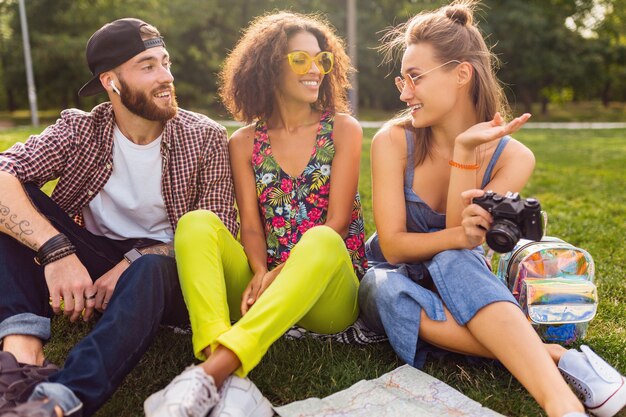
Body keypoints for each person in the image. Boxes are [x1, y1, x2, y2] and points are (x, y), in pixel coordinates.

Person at [358, 2, 626, 417]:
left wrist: (465, 151)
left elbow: (459, 244)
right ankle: (555, 357)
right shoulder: (392, 141)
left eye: (415, 78)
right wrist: (461, 215)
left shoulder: (513, 157)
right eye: (401, 79)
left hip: (465, 283)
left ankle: (561, 406)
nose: (403, 92)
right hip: (399, 280)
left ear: (461, 74)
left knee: (453, 256)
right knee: (384, 288)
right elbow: (393, 248)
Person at [0, 18, 237, 417]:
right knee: (11, 205)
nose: (166, 77)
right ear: (111, 82)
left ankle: (64, 397)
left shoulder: (205, 137)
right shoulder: (80, 129)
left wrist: (134, 260)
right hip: (89, 259)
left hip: (167, 269)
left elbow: (219, 231)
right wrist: (56, 250)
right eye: (148, 66)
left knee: (149, 271)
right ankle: (21, 360)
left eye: (166, 62)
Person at [144, 11, 366, 417]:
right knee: (196, 223)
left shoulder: (342, 129)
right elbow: (249, 224)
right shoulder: (244, 141)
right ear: (268, 67)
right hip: (266, 287)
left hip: (328, 293)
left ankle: (210, 374)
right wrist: (260, 271)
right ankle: (222, 370)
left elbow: (336, 222)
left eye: (322, 60)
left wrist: (277, 275)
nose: (315, 69)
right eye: (301, 59)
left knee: (321, 238)